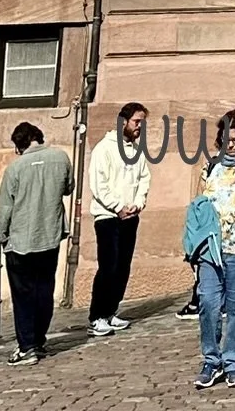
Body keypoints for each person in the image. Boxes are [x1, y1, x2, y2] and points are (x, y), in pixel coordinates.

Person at [0, 122, 74, 365]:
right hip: (49, 235)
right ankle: (38, 340)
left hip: (21, 239)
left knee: (23, 295)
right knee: (44, 291)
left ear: (19, 145)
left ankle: (26, 346)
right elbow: (68, 188)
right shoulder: (61, 158)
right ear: (39, 137)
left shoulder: (15, 168)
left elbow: (5, 206)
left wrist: (1, 234)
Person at [193, 108, 235, 389]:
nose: (231, 144)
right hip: (211, 251)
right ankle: (211, 359)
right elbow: (197, 208)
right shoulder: (209, 166)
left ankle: (233, 362)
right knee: (207, 304)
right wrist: (194, 247)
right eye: (227, 138)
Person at [88, 100, 150, 338]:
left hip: (130, 216)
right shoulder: (104, 149)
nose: (139, 127)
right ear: (123, 122)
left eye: (142, 123)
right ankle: (97, 316)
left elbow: (144, 177)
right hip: (108, 217)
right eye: (136, 122)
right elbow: (99, 184)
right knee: (108, 266)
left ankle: (111, 311)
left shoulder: (136, 150)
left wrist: (138, 203)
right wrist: (117, 206)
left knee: (123, 266)